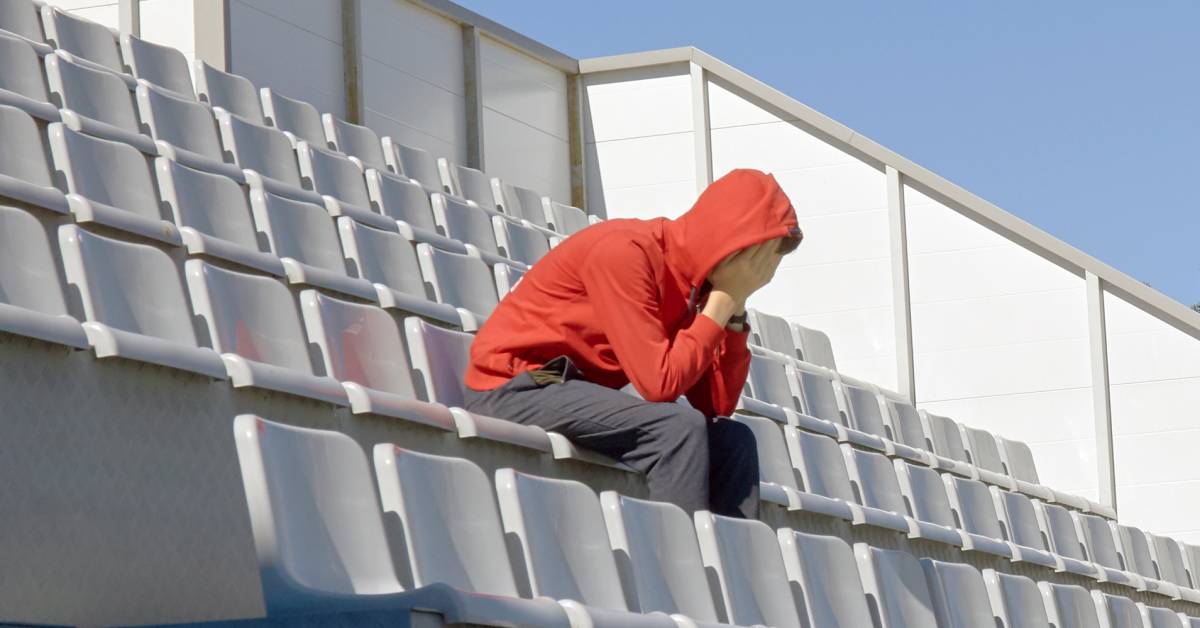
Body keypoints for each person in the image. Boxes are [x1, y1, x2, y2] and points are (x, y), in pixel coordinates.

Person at [464, 169, 802, 518]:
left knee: (734, 441)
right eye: (758, 258)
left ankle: (731, 568)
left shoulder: (694, 285)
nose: (761, 272)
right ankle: (679, 565)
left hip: (571, 386)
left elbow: (714, 405)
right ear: (728, 239)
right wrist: (723, 299)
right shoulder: (627, 252)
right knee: (676, 430)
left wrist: (733, 310)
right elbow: (660, 385)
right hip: (520, 383)